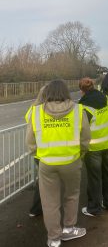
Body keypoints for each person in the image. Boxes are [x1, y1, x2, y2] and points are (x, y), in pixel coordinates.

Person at [25, 79, 91, 247]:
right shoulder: (78, 110)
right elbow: (85, 138)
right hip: (72, 161)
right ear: (65, 92)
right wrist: (80, 154)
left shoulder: (37, 112)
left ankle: (54, 238)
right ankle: (69, 229)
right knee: (72, 195)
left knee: (49, 202)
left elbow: (30, 142)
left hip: (47, 163)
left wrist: (39, 156)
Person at [79, 77, 108, 216]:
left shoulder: (84, 107)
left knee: (94, 178)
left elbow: (81, 129)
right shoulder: (107, 99)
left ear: (82, 91)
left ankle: (94, 208)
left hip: (94, 147)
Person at [25, 85, 47, 218]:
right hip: (47, 151)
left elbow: (28, 120)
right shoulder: (49, 109)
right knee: (45, 182)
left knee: (43, 181)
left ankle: (36, 208)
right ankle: (36, 208)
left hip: (38, 151)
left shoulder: (33, 109)